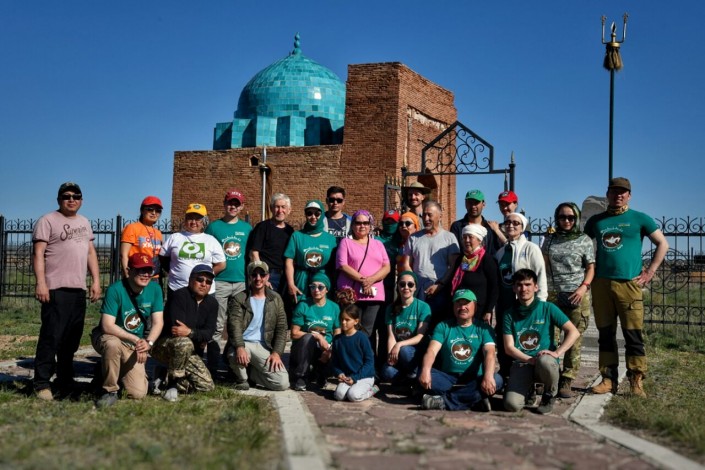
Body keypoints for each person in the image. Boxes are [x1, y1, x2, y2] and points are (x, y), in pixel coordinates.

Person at [584, 177, 668, 397]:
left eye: (622, 192)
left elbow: (663, 243)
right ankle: (608, 379)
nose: (618, 195)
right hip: (601, 284)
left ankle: (636, 380)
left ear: (629, 196)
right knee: (605, 334)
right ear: (608, 194)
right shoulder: (596, 221)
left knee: (633, 334)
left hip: (629, 284)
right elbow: (582, 245)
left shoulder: (639, 218)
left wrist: (650, 271)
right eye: (614, 191)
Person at [33, 182, 102, 400]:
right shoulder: (47, 220)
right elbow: (38, 253)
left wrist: (96, 280)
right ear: (59, 199)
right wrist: (41, 283)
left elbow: (90, 253)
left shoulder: (84, 222)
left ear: (81, 200)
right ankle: (41, 383)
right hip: (55, 289)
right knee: (51, 337)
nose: (71, 199)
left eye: (76, 196)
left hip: (77, 289)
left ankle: (64, 379)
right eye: (66, 196)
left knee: (71, 339)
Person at [91, 253, 164, 407]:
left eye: (149, 270)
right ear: (129, 271)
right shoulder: (115, 289)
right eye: (140, 270)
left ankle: (106, 372)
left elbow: (158, 322)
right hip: (110, 337)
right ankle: (109, 390)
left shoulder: (155, 289)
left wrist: (148, 343)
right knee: (112, 345)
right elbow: (107, 325)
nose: (146, 275)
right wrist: (137, 340)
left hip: (133, 344)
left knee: (137, 393)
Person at [503, 269, 579, 414]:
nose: (523, 289)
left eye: (528, 284)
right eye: (519, 285)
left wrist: (557, 353)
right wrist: (529, 360)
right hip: (522, 363)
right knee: (511, 405)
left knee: (545, 361)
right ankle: (529, 391)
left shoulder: (548, 308)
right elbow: (509, 348)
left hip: (544, 362)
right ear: (514, 288)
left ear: (536, 287)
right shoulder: (509, 314)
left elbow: (573, 332)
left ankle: (550, 394)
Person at [542, 202, 595, 398]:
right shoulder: (550, 240)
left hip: (577, 294)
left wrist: (583, 287)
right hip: (553, 293)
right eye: (562, 217)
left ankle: (567, 379)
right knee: (550, 337)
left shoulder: (584, 240)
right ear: (557, 218)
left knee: (574, 338)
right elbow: (544, 264)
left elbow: (590, 268)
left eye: (571, 217)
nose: (566, 221)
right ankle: (550, 376)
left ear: (577, 218)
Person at [419, 289, 503, 411]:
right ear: (453, 306)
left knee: (497, 379)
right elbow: (432, 351)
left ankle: (443, 401)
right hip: (448, 378)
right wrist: (426, 370)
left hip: (475, 378)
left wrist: (488, 376)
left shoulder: (484, 329)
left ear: (475, 306)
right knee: (423, 373)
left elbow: (489, 353)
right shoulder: (443, 326)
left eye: (466, 303)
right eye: (458, 303)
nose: (462, 307)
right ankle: (473, 399)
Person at [151, 264, 218, 402]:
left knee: (207, 387)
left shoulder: (213, 303)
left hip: (191, 351)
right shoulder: (179, 296)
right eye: (200, 279)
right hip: (166, 346)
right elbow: (177, 330)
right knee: (184, 342)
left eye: (208, 282)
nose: (204, 284)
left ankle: (163, 375)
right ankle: (172, 385)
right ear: (190, 280)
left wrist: (190, 332)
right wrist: (198, 336)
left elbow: (209, 333)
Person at [204, 189, 253, 377]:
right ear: (224, 204)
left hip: (241, 282)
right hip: (220, 282)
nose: (233, 206)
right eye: (230, 203)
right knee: (217, 325)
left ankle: (232, 364)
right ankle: (213, 367)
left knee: (238, 325)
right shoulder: (214, 227)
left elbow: (251, 254)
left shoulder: (247, 229)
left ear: (241, 207)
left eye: (236, 204)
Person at [495, 212, 547, 377]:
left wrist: (540, 302)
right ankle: (506, 375)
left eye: (515, 223)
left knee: (524, 339)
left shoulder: (531, 248)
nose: (511, 225)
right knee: (505, 341)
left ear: (522, 227)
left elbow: (540, 274)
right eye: (508, 222)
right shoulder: (501, 252)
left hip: (524, 303)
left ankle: (531, 376)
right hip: (505, 303)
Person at [225, 261, 289, 391]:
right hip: (244, 343)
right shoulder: (239, 298)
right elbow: (234, 326)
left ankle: (252, 374)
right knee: (234, 354)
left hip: (264, 346)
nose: (258, 278)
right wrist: (239, 347)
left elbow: (281, 328)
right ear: (249, 277)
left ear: (268, 277)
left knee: (282, 383)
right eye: (254, 275)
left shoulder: (276, 299)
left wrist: (276, 353)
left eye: (262, 275)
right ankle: (242, 378)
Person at [336, 210, 390, 338]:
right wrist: (364, 281)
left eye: (366, 223)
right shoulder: (346, 242)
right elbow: (342, 265)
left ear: (370, 225)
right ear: (352, 225)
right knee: (351, 330)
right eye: (358, 223)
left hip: (373, 294)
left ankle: (366, 351)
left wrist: (371, 280)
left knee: (367, 332)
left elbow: (387, 267)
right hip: (352, 294)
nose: (362, 226)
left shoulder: (378, 244)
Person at [435, 224, 499, 325]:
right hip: (458, 309)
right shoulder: (461, 259)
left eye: (470, 237)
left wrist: (488, 310)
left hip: (478, 311)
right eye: (464, 237)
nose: (467, 240)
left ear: (479, 240)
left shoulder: (487, 260)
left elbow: (494, 287)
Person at [159, 203, 226, 297]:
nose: (193, 222)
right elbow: (163, 257)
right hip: (177, 289)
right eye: (190, 218)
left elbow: (221, 265)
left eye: (198, 219)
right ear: (185, 220)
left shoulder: (211, 240)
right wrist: (173, 271)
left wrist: (207, 275)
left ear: (204, 221)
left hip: (204, 292)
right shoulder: (175, 237)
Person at [289, 272, 341, 391]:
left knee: (340, 346)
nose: (316, 290)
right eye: (313, 286)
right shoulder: (303, 305)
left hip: (325, 349)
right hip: (304, 348)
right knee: (308, 338)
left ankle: (321, 374)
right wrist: (318, 336)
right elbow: (294, 333)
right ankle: (301, 377)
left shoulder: (334, 307)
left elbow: (337, 333)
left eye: (320, 287)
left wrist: (330, 349)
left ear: (327, 289)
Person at [401, 201, 460, 302]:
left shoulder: (450, 238)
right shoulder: (413, 238)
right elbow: (406, 264)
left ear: (440, 216)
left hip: (441, 288)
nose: (426, 219)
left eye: (430, 215)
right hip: (417, 288)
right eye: (424, 215)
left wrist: (440, 285)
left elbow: (453, 266)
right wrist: (413, 283)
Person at [381, 271, 431, 387]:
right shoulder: (391, 308)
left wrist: (399, 345)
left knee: (405, 350)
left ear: (415, 287)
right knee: (387, 371)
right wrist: (391, 356)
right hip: (399, 352)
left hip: (415, 352)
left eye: (410, 284)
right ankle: (407, 382)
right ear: (398, 287)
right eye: (402, 284)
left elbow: (420, 336)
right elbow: (391, 336)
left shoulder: (423, 307)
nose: (406, 287)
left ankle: (413, 375)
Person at [284, 200, 337, 305]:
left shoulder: (330, 239)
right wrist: (291, 284)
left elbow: (335, 266)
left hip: (322, 282)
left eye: (317, 213)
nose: (313, 217)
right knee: (300, 309)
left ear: (322, 214)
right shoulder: (297, 236)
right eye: (309, 213)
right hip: (301, 282)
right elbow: (289, 261)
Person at [331, 304, 379, 402]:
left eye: (347, 320)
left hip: (364, 376)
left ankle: (372, 390)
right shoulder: (337, 339)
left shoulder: (362, 338)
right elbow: (334, 361)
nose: (343, 322)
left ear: (356, 321)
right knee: (339, 395)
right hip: (348, 377)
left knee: (353, 396)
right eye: (342, 319)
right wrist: (339, 373)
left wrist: (355, 378)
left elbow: (369, 362)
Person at [249, 193, 294, 292]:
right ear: (271, 209)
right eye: (277, 207)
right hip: (268, 274)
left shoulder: (290, 231)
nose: (280, 210)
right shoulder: (262, 227)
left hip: (285, 275)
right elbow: (254, 253)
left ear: (289, 210)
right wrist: (261, 276)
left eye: (283, 207)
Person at [120, 195, 164, 281]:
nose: (154, 213)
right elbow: (124, 255)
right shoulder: (132, 228)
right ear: (142, 210)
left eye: (158, 211)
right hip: (137, 276)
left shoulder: (158, 233)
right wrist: (127, 275)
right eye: (150, 209)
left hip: (154, 277)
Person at [449, 189, 503, 259]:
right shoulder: (457, 226)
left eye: (476, 203)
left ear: (483, 204)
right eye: (470, 203)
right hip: (463, 265)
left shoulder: (490, 228)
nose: (473, 206)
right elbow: (454, 252)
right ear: (465, 204)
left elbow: (494, 253)